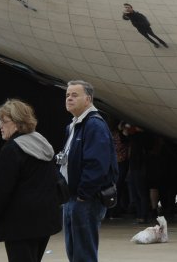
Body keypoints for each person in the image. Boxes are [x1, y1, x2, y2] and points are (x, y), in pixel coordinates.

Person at [0, 99, 62, 262]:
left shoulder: (12, 149)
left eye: (3, 121)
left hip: (19, 224)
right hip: (44, 220)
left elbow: (1, 188)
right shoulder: (42, 143)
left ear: (17, 123)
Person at [60, 80, 118, 262]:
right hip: (72, 197)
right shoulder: (74, 125)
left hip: (86, 199)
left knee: (83, 254)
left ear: (88, 99)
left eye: (74, 95)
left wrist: (83, 195)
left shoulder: (94, 125)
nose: (69, 98)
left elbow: (97, 165)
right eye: (67, 95)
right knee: (74, 252)